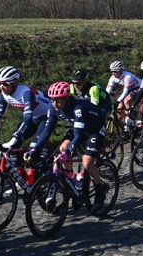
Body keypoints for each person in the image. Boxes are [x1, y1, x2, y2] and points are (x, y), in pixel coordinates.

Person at [29, 82, 110, 214]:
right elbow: (46, 131)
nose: (54, 103)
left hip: (95, 127)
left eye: (57, 100)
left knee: (87, 161)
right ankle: (72, 182)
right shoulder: (53, 108)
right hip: (79, 126)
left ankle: (99, 189)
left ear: (66, 98)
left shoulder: (78, 107)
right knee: (63, 148)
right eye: (52, 100)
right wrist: (35, 149)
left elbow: (78, 137)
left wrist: (67, 154)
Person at [0, 66, 52, 153]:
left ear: (14, 83)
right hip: (34, 117)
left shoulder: (26, 93)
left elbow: (27, 118)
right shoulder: (3, 96)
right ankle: (17, 167)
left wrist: (16, 136)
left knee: (33, 150)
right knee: (11, 149)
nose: (1, 87)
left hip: (47, 116)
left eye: (5, 84)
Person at [105, 61, 143, 129]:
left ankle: (130, 119)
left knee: (127, 100)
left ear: (121, 71)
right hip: (130, 89)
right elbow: (107, 91)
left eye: (115, 71)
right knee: (119, 108)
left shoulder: (127, 76)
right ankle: (125, 123)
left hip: (138, 88)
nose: (113, 73)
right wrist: (104, 99)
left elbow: (125, 92)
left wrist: (117, 101)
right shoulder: (112, 78)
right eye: (112, 71)